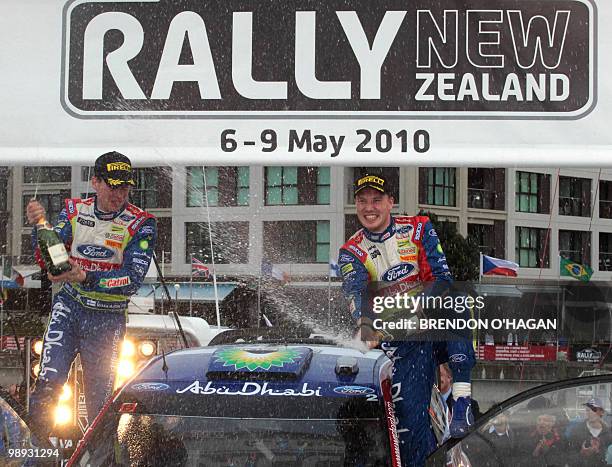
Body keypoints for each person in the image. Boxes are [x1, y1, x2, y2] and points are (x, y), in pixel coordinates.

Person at [338, 173, 475, 467]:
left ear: (391, 202)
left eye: (376, 200)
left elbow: (440, 276)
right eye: (362, 201)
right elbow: (356, 291)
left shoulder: (417, 229)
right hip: (401, 342)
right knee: (409, 427)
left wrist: (423, 306)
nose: (369, 207)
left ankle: (462, 399)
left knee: (457, 297)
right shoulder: (351, 251)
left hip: (432, 323)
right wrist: (365, 324)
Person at [26, 151, 157, 434]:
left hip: (107, 320)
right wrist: (40, 228)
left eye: (125, 187)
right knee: (47, 385)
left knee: (100, 403)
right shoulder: (73, 211)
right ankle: (36, 453)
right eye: (113, 185)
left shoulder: (141, 224)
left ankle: (102, 458)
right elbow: (51, 255)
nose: (119, 194)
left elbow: (131, 280)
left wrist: (87, 276)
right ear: (95, 181)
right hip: (70, 308)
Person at [567, 398, 612, 465]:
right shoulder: (577, 430)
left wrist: (598, 451)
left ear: (602, 412)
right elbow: (569, 457)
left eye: (594, 409)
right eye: (588, 410)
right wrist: (582, 454)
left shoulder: (608, 433)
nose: (590, 412)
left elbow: (609, 458)